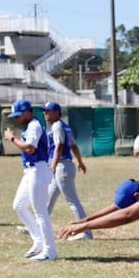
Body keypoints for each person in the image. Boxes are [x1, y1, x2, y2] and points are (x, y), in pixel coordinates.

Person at [3, 99, 57, 261]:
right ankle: (39, 241)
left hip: (38, 170)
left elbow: (30, 147)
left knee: (40, 211)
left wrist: (12, 139)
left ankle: (50, 251)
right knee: (18, 206)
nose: (16, 119)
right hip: (30, 170)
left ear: (28, 112)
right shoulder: (29, 125)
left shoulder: (34, 125)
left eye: (18, 116)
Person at [42, 101, 92, 241]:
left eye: (48, 111)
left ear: (57, 113)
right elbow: (74, 147)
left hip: (61, 166)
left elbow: (59, 146)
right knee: (49, 199)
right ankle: (36, 226)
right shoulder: (64, 126)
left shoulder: (57, 126)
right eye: (44, 111)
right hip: (63, 165)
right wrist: (80, 162)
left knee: (73, 201)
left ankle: (86, 232)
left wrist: (52, 166)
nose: (45, 113)